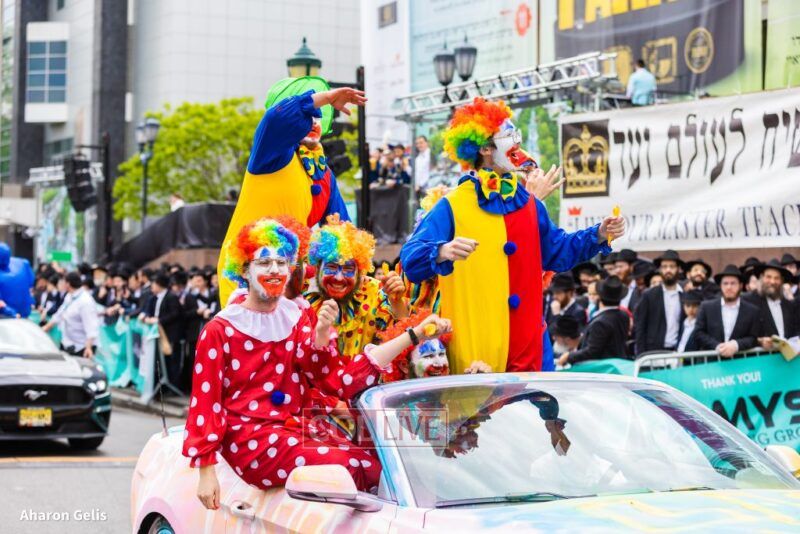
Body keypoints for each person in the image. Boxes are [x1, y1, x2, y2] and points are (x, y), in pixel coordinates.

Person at [186, 217, 451, 507]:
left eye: (281, 262)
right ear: (244, 271)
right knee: (351, 467)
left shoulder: (298, 317)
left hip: (298, 428)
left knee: (381, 463)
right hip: (251, 440)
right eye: (263, 263)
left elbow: (339, 380)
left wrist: (413, 335)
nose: (274, 269)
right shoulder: (220, 329)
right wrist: (205, 471)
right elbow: (205, 402)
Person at [401, 98, 624, 373]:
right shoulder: (453, 204)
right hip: (477, 352)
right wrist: (441, 251)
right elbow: (410, 259)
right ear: (485, 148)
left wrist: (599, 234)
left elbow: (557, 252)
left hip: (530, 349)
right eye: (508, 136)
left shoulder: (528, 203)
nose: (517, 142)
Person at [217, 78, 365, 305]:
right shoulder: (271, 153)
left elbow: (343, 234)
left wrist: (360, 281)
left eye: (319, 117)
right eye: (308, 117)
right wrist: (323, 98)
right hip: (246, 276)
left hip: (287, 281)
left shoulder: (322, 174)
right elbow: (276, 119)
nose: (313, 123)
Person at [304, 216, 408, 359]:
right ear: (317, 268)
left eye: (348, 269)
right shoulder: (304, 302)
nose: (339, 278)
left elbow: (402, 347)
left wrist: (397, 303)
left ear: (360, 272)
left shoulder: (374, 294)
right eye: (331, 267)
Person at [557, 276, 630, 366]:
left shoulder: (601, 323)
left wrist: (568, 356)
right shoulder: (623, 315)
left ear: (600, 297)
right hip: (619, 364)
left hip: (604, 368)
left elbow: (592, 351)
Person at [693, 265, 760, 357]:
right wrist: (718, 346)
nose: (729, 287)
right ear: (720, 286)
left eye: (733, 283)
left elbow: (753, 338)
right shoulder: (706, 307)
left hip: (740, 362)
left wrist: (736, 345)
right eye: (725, 283)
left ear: (740, 286)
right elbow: (698, 333)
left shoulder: (752, 311)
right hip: (711, 361)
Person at [634, 250, 684, 354]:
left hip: (678, 351)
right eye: (664, 267)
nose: (668, 270)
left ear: (679, 269)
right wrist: (641, 354)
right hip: (653, 352)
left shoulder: (684, 294)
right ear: (660, 269)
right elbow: (640, 326)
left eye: (672, 266)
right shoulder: (649, 295)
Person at [742, 259, 799, 349]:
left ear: (782, 281)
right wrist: (759, 341)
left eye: (776, 278)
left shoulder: (789, 305)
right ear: (761, 278)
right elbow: (742, 334)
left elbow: (796, 331)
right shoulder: (748, 301)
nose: (772, 282)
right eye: (768, 277)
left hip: (789, 356)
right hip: (761, 356)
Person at [43, 272, 99, 358]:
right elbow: (59, 314)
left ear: (68, 284)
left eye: (63, 282)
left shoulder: (85, 301)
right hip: (68, 343)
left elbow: (91, 326)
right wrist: (45, 328)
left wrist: (88, 347)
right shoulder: (69, 296)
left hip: (81, 347)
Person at [143, 273, 183, 387]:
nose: (152, 286)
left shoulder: (171, 297)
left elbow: (175, 314)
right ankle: (163, 384)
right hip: (159, 333)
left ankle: (173, 385)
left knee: (172, 360)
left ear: (159, 284)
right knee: (162, 361)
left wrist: (159, 320)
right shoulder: (155, 298)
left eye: (153, 284)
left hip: (170, 334)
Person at [0, 242, 34, 318]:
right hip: (24, 313)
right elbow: (31, 285)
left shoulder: (23, 264)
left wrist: (12, 313)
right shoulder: (23, 263)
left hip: (7, 316)